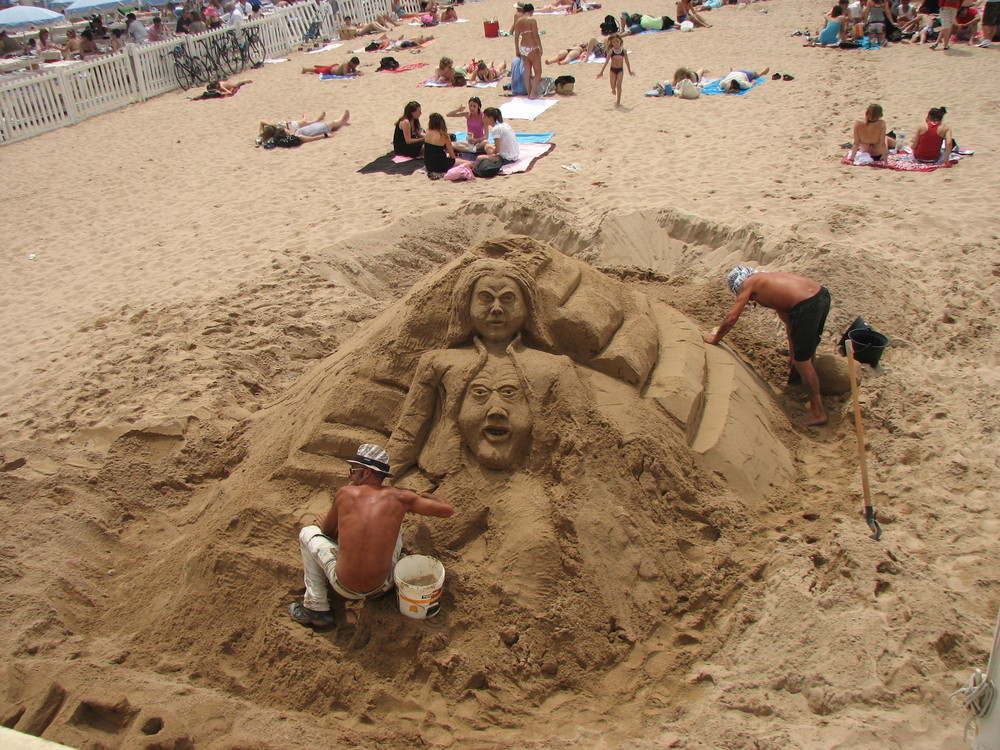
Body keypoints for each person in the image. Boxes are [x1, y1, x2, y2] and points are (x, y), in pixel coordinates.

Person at [289, 444, 455, 627]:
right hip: (382, 585)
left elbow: (327, 532)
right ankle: (378, 586)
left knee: (307, 533)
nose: (349, 475)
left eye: (353, 470)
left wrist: (332, 525)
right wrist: (426, 497)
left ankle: (316, 607)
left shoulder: (345, 493)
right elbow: (447, 511)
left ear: (367, 472)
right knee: (394, 520)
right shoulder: (400, 498)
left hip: (343, 586)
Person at [704, 267, 830, 426]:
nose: (751, 300)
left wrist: (715, 338)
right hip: (822, 295)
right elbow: (791, 327)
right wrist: (793, 353)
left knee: (802, 362)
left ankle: (818, 413)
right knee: (804, 352)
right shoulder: (772, 284)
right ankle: (803, 382)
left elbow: (732, 317)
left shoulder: (748, 283)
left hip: (807, 305)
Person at [513, 4, 543, 98]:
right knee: (538, 72)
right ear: (531, 11)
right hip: (532, 47)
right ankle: (533, 93)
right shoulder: (532, 20)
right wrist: (540, 47)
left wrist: (517, 49)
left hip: (523, 47)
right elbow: (536, 35)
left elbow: (516, 36)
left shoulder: (518, 21)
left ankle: (529, 92)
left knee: (527, 72)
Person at [597, 34, 633, 106]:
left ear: (620, 41)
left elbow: (626, 61)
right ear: (612, 43)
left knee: (619, 84)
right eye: (614, 42)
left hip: (620, 70)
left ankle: (618, 101)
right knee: (612, 85)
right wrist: (601, 72)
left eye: (617, 41)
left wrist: (629, 71)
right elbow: (606, 61)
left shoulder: (623, 51)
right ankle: (613, 89)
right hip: (612, 70)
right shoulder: (611, 51)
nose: (616, 43)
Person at [259, 110, 349, 139]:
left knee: (329, 124)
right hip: (302, 131)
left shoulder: (275, 132)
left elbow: (261, 123)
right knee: (331, 124)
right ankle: (342, 121)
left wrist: (262, 134)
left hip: (298, 129)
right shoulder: (279, 136)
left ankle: (341, 121)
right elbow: (305, 138)